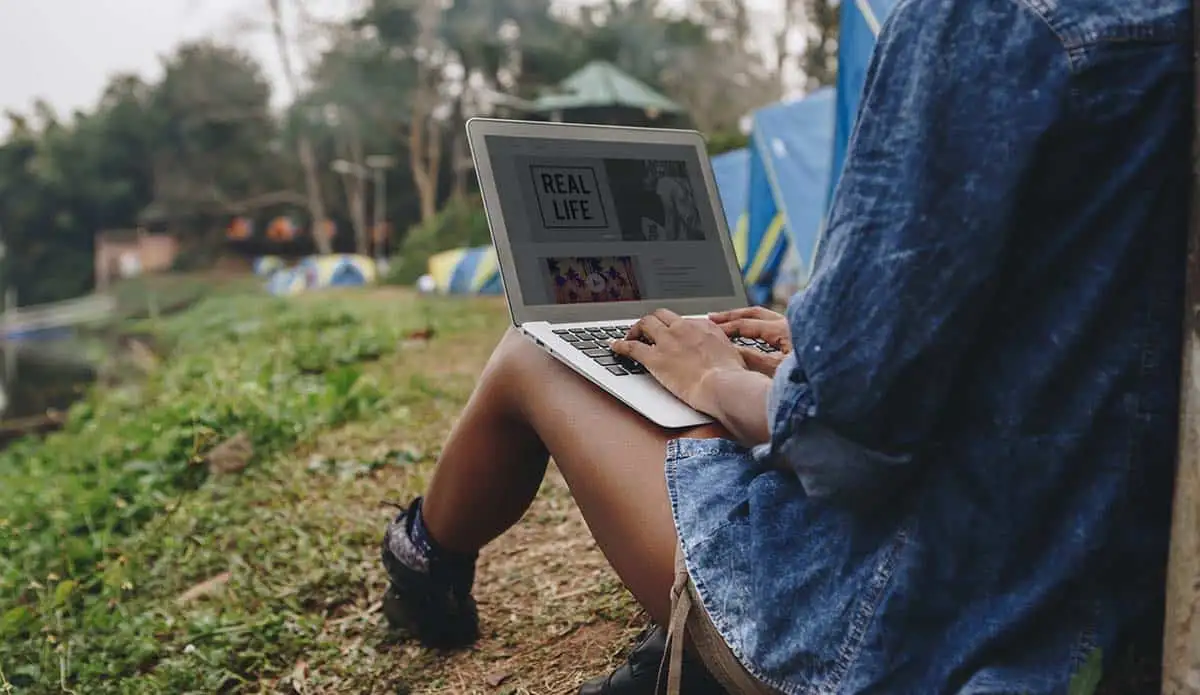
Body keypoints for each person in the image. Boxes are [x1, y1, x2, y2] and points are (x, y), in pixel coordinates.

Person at [379, 0, 1191, 691]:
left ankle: (422, 558)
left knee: (533, 353)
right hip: (1095, 574)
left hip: (917, 627)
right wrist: (819, 342)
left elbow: (846, 443)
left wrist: (718, 380)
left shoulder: (985, 17)